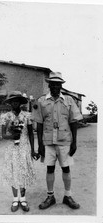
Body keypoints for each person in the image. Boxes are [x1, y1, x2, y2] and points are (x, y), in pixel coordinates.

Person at [32, 71, 83, 210]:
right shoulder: (41, 101)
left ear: (61, 86)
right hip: (48, 142)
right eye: (52, 84)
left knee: (66, 168)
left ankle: (68, 196)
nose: (55, 87)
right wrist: (40, 145)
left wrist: (74, 142)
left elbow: (73, 122)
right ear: (49, 85)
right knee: (50, 168)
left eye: (58, 84)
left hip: (65, 141)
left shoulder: (69, 100)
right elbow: (40, 123)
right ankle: (50, 197)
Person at [1, 91, 37, 213]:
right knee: (14, 172)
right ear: (10, 103)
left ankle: (23, 199)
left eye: (17, 100)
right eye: (13, 100)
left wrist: (32, 150)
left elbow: (31, 134)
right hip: (12, 149)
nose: (15, 102)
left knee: (23, 172)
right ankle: (15, 199)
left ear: (21, 102)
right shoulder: (6, 116)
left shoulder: (26, 116)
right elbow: (3, 135)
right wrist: (12, 135)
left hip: (24, 148)